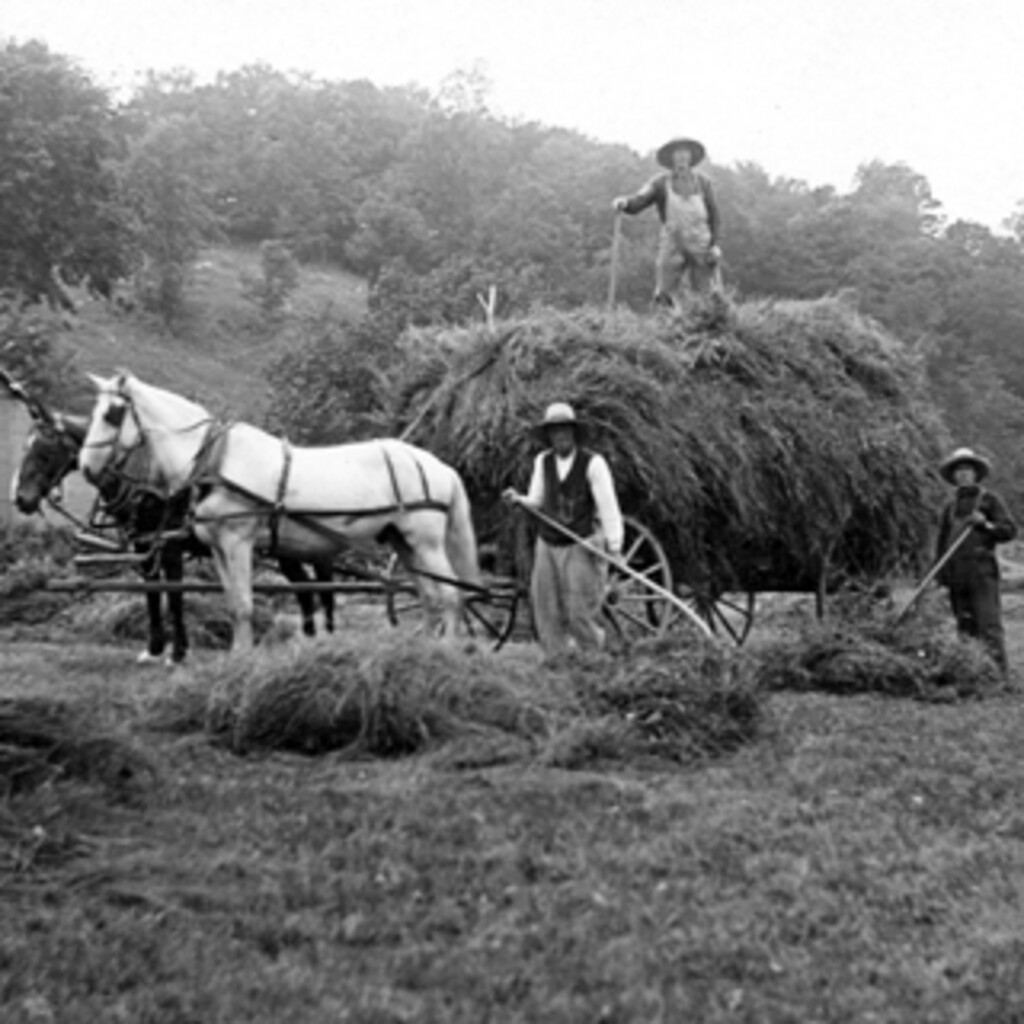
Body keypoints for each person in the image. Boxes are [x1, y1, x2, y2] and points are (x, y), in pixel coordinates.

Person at [503, 402, 624, 656]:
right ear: (549, 436)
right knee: (546, 607)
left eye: (565, 430)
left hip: (580, 543)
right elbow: (536, 501)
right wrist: (518, 499)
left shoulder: (593, 463)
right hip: (547, 544)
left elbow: (608, 508)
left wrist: (614, 548)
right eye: (555, 431)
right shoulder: (543, 461)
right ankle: (556, 660)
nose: (561, 436)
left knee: (579, 610)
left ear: (574, 433)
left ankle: (593, 659)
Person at [612, 136, 722, 307]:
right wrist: (625, 202)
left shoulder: (704, 183)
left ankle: (706, 329)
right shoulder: (660, 183)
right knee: (664, 293)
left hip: (702, 243)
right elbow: (640, 200)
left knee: (706, 294)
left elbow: (714, 215)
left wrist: (715, 245)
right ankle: (665, 328)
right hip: (672, 243)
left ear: (691, 157)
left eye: (685, 153)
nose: (682, 157)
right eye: (677, 153)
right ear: (671, 158)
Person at [934, 447, 1017, 674]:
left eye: (967, 469)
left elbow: (1009, 530)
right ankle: (970, 672)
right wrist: (940, 575)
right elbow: (941, 545)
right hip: (956, 572)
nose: (963, 474)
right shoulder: (949, 507)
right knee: (964, 624)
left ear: (976, 474)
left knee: (988, 623)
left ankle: (998, 675)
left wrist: (986, 525)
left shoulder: (990, 500)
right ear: (953, 475)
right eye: (958, 470)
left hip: (981, 570)